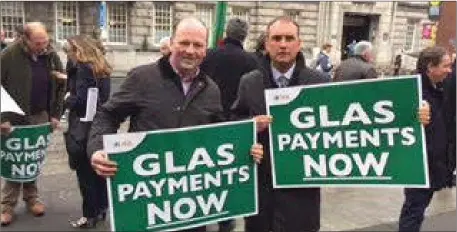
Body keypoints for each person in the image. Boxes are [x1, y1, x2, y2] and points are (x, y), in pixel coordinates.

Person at [87, 17, 264, 232]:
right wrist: (98, 150)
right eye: (184, 43)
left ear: (205, 51)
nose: (190, 51)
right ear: (171, 44)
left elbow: (220, 136)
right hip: (146, 204)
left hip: (191, 208)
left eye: (198, 45)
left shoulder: (211, 90)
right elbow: (107, 115)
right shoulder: (142, 78)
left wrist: (245, 148)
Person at [231, 16, 329, 232]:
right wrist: (249, 127)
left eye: (289, 38)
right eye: (276, 38)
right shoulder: (249, 81)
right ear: (267, 44)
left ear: (299, 44)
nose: (283, 44)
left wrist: (415, 113)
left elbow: (351, 122)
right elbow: (233, 124)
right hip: (262, 196)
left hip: (302, 196)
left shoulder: (319, 83)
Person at [0, 22, 65, 226]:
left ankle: (32, 198)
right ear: (25, 39)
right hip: (13, 116)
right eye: (38, 43)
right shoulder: (8, 55)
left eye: (45, 42)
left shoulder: (51, 55)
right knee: (15, 160)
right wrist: (1, 118)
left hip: (40, 115)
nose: (42, 47)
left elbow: (61, 85)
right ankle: (6, 206)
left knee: (31, 159)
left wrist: (55, 114)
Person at [398, 46, 453, 232]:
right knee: (413, 211)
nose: (449, 70)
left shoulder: (441, 87)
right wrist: (413, 116)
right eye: (446, 66)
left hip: (434, 164)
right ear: (430, 66)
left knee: (417, 210)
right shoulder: (411, 90)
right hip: (419, 166)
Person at [62, 35, 111, 228]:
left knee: (85, 173)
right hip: (100, 125)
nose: (68, 55)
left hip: (83, 127)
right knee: (98, 171)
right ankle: (100, 210)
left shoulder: (82, 68)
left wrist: (67, 98)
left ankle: (88, 215)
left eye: (70, 51)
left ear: (78, 51)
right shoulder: (102, 68)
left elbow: (81, 101)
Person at [201, 18, 259, 119]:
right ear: (244, 36)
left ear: (227, 32)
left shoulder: (207, 55)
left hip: (209, 116)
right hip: (236, 119)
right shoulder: (252, 60)